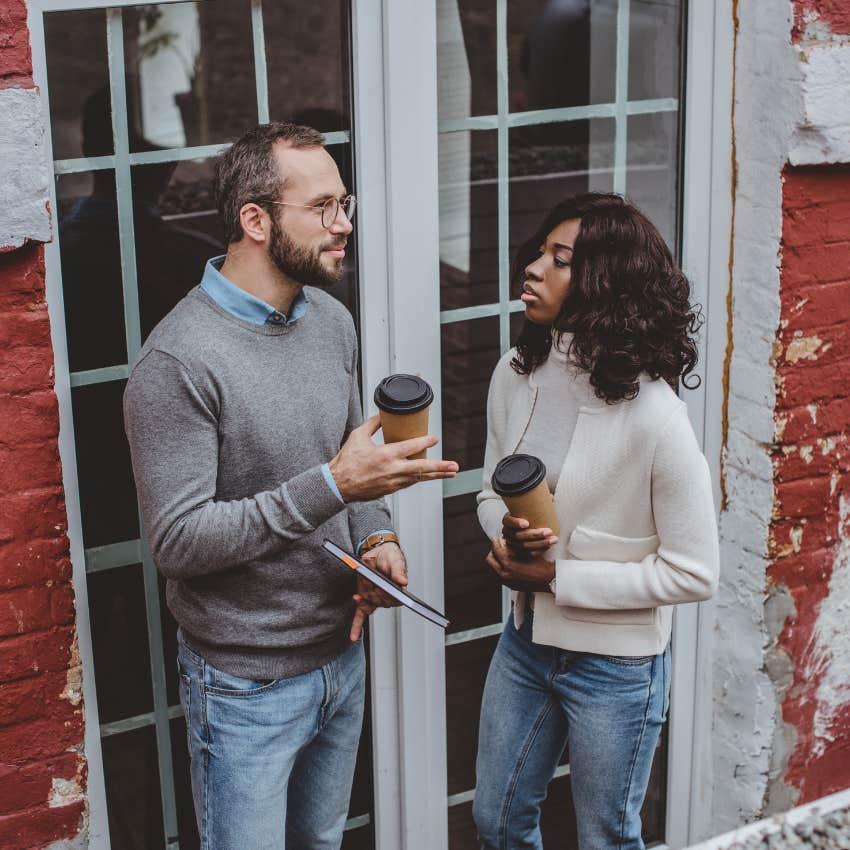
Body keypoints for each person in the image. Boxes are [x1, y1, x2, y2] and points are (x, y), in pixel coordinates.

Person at [123, 122, 458, 849]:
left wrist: (379, 537)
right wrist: (333, 484)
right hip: (246, 688)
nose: (344, 227)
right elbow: (179, 543)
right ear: (255, 220)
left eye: (347, 205)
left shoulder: (331, 321)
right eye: (325, 209)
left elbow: (351, 469)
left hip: (341, 656)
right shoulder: (176, 364)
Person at [472, 193, 719, 850]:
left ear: (607, 284)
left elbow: (695, 572)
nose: (532, 269)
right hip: (525, 644)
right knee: (494, 821)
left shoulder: (656, 418)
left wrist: (558, 578)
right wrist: (505, 539)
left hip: (617, 665)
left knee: (606, 838)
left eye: (560, 261)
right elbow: (488, 490)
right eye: (538, 253)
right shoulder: (515, 373)